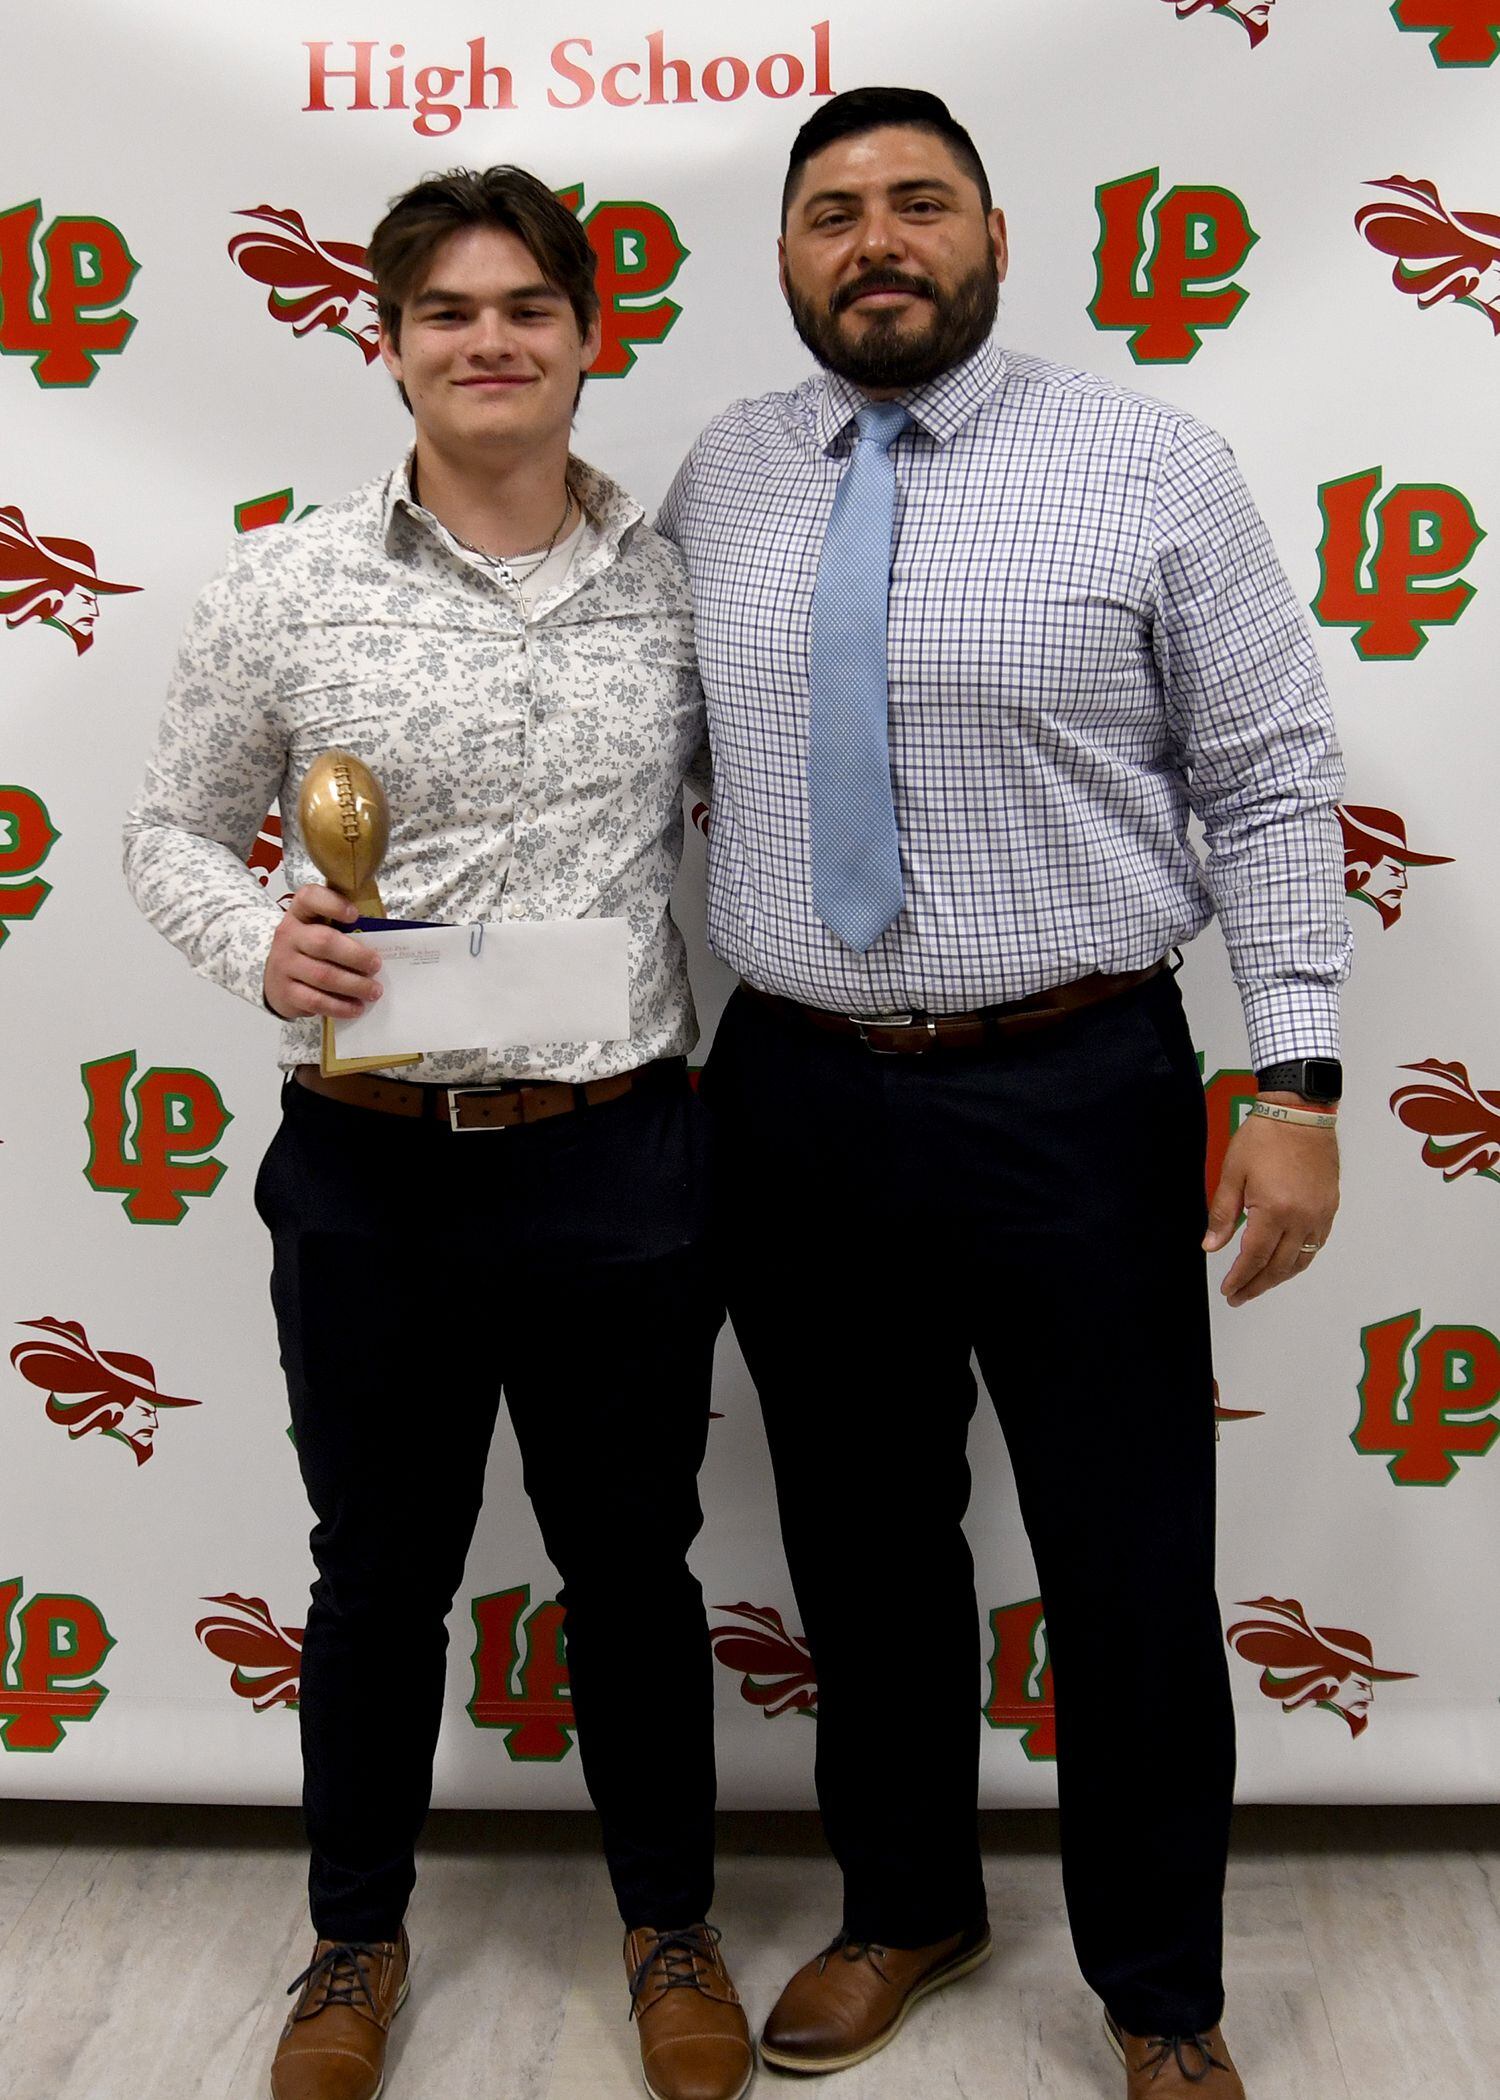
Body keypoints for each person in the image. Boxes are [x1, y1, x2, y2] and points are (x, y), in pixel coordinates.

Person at [659, 87, 1351, 2100]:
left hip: (1076, 1091)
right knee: (863, 1545)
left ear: (993, 237)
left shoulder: (1148, 462)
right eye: (834, 213)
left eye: (919, 203)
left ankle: (1162, 1996)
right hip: (796, 1095)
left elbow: (1270, 779)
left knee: (1126, 1559)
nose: (877, 242)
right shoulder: (724, 474)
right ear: (786, 258)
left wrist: (1297, 1079)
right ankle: (908, 1904)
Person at [124, 165, 751, 2100]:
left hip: (618, 1151)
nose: (492, 342)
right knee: (377, 1575)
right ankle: (352, 1943)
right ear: (387, 346)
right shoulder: (288, 583)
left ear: (589, 337)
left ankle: (670, 1928)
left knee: (633, 1567)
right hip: (371, 1163)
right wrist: (255, 937)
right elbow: (165, 829)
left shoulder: (682, 586)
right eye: (449, 314)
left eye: (527, 309)